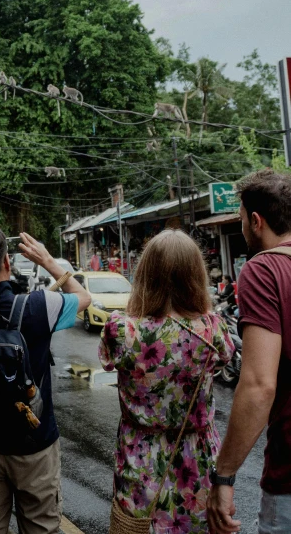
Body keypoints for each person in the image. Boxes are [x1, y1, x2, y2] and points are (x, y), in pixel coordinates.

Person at [0, 224, 91, 534]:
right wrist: (48, 262)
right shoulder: (40, 306)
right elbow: (84, 297)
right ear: (7, 262)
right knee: (41, 527)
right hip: (35, 444)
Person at [99, 229, 234, 534]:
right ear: (196, 276)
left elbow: (107, 360)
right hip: (197, 463)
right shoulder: (213, 329)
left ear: (145, 275)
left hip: (140, 463)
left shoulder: (122, 331)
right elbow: (227, 355)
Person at [207, 170, 291, 534]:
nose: (242, 229)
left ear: (256, 222)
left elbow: (259, 386)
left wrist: (223, 478)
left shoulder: (264, 268)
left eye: (241, 221)